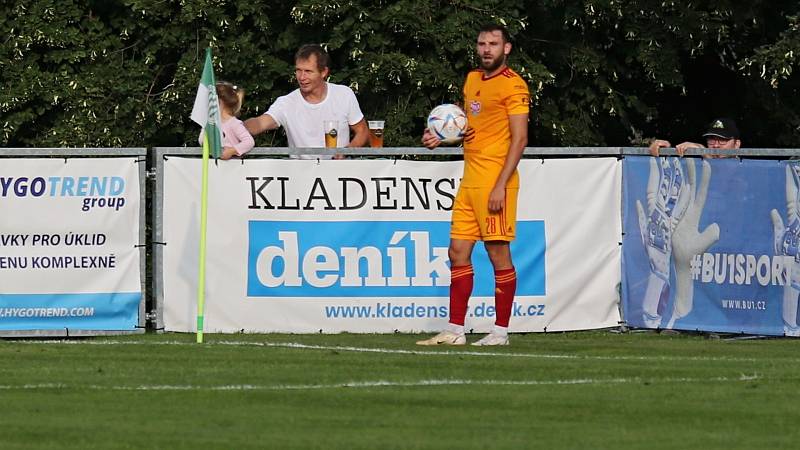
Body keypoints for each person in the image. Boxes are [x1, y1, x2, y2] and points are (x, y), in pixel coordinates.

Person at [416, 24, 530, 346]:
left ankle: (500, 332)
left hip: (496, 182)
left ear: (506, 48)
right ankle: (454, 331)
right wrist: (440, 137)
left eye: (494, 44)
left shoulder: (514, 86)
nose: (486, 49)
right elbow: (468, 128)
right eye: (482, 43)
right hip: (469, 181)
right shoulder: (472, 79)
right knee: (457, 251)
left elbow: (519, 140)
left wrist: (500, 185)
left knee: (498, 254)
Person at [244, 44, 369, 158]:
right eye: (298, 70)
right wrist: (232, 127)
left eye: (308, 71)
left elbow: (362, 131)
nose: (302, 77)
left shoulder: (344, 94)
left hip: (339, 175)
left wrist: (346, 152)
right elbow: (260, 123)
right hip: (300, 177)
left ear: (324, 72)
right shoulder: (286, 103)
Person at [198, 81, 255, 160]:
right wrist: (206, 128)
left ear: (219, 102)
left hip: (232, 167)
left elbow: (249, 142)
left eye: (210, 102)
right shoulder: (210, 123)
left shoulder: (234, 123)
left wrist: (232, 151)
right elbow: (201, 141)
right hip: (215, 166)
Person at [649, 117, 742, 158]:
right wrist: (665, 152)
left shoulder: (747, 170)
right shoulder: (700, 166)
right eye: (711, 140)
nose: (716, 145)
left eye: (723, 140)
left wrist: (702, 150)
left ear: (736, 144)